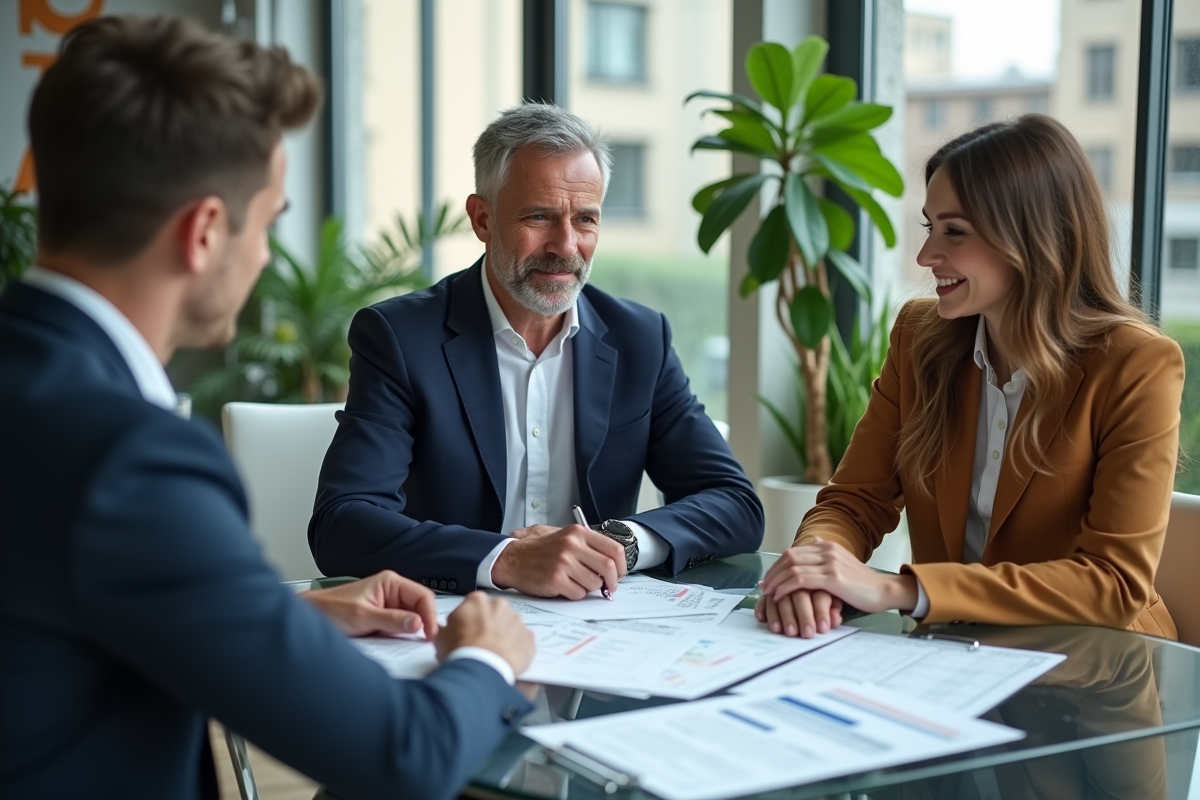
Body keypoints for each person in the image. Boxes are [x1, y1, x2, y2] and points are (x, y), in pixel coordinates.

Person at [0, 16, 536, 800]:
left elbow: (57, 620)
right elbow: (404, 756)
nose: (264, 256)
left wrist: (298, 617)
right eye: (271, 222)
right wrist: (487, 656)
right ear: (207, 232)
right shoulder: (132, 461)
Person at [309, 103, 764, 600]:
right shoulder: (399, 337)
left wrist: (620, 545)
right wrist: (507, 558)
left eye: (585, 219)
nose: (565, 245)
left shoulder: (639, 338)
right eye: (539, 216)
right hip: (454, 625)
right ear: (482, 219)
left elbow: (735, 504)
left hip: (601, 635)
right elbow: (342, 523)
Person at [755, 114, 1184, 640]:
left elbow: (1113, 584)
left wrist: (902, 590)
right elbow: (854, 501)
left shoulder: (1136, 364)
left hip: (1098, 669)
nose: (926, 255)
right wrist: (815, 571)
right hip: (954, 653)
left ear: (1033, 237)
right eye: (929, 226)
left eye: (954, 231)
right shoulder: (919, 337)